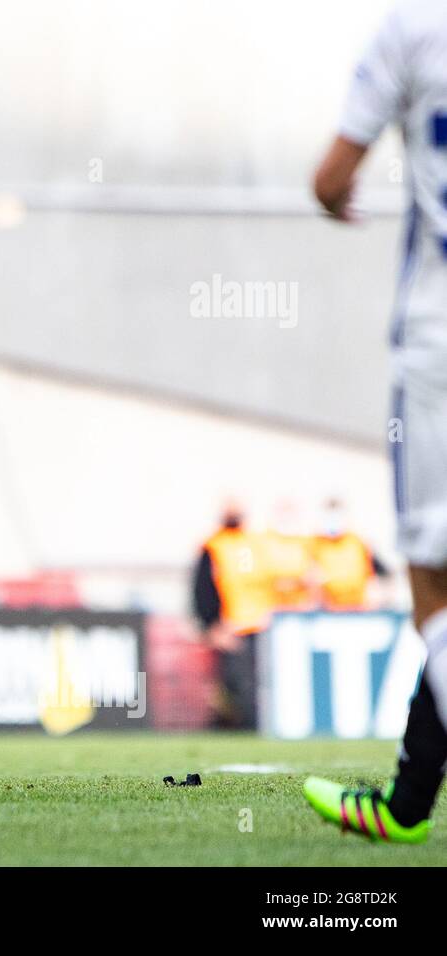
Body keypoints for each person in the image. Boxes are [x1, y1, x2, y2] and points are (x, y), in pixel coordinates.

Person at [304, 0, 447, 843]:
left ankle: (405, 802)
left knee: (432, 582)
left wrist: (335, 201)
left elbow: (329, 178)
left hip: (438, 340)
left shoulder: (412, 30)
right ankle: (406, 802)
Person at [192, 503, 275, 729]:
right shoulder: (215, 546)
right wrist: (211, 625)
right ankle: (240, 727)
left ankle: (258, 727)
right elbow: (203, 589)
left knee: (260, 683)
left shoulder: (256, 543)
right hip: (232, 625)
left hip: (261, 624)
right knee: (235, 684)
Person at [311, 497, 388, 611]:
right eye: (329, 517)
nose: (333, 522)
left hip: (358, 608)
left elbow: (381, 576)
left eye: (336, 517)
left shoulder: (359, 543)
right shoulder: (315, 543)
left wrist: (377, 596)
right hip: (328, 610)